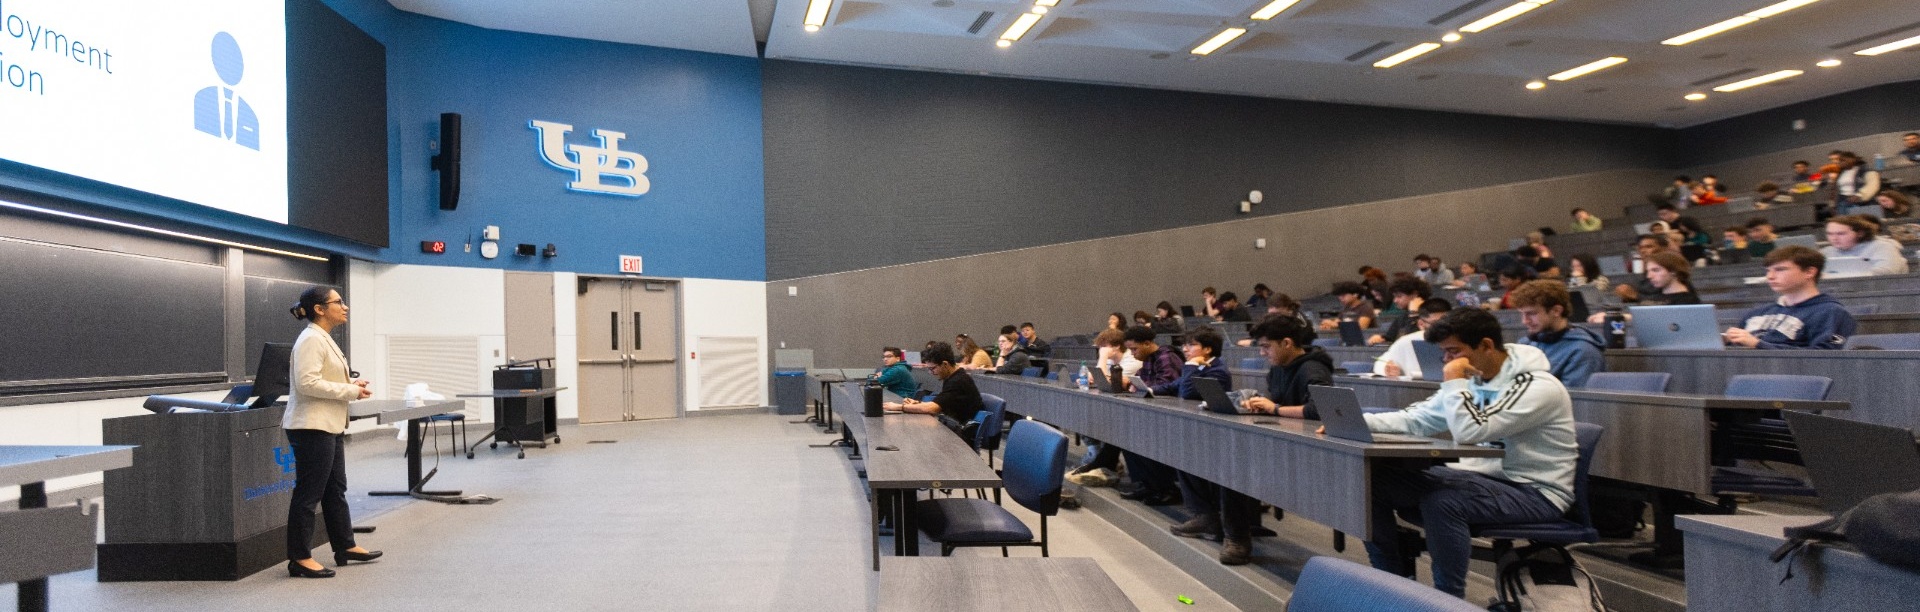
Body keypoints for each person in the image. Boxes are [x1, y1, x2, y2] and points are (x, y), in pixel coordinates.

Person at [1357, 308, 1579, 599]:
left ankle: (1448, 600)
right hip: (1479, 480)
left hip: (1534, 492)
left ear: (1486, 345)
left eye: (1454, 352)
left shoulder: (1538, 387)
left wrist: (1453, 383)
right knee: (1372, 483)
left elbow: (1472, 432)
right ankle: (1392, 586)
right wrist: (1359, 422)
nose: (1448, 361)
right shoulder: (1473, 380)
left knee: (1443, 502)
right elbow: (1417, 420)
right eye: (1445, 353)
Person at [1170, 317, 1331, 566]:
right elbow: (1278, 403)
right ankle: (1213, 519)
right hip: (1282, 436)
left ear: (1286, 343)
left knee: (1234, 465)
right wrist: (1259, 405)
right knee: (1206, 449)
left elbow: (1320, 411)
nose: (1262, 352)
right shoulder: (1278, 369)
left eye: (1267, 346)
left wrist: (1275, 409)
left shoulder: (1313, 370)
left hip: (1310, 448)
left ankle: (1237, 538)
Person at [283, 287, 381, 579]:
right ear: (319, 309)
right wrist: (350, 390)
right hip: (312, 427)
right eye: (338, 302)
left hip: (329, 424)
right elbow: (307, 383)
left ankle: (345, 545)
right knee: (308, 494)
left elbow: (322, 378)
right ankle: (299, 558)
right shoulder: (311, 339)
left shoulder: (323, 338)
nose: (345, 306)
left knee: (334, 490)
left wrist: (351, 383)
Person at [1723, 246, 1857, 350]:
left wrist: (1758, 344)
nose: (1770, 276)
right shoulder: (1757, 313)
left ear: (1809, 272)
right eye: (1768, 270)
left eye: (1780, 269)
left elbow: (1825, 358)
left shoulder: (1831, 312)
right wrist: (1726, 342)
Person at [1116, 327, 1188, 506]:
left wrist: (1142, 387)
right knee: (1127, 438)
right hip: (1153, 412)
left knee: (1146, 441)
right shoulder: (1147, 359)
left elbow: (1168, 386)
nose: (1133, 354)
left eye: (1134, 349)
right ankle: (1147, 484)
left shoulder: (1166, 357)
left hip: (1172, 414)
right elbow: (1142, 382)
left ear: (1148, 344)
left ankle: (1165, 489)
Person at [1509, 281, 1606, 388]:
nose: (1525, 321)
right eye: (1522, 314)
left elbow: (1575, 399)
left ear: (1556, 311)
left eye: (1531, 313)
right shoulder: (1526, 343)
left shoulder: (1583, 352)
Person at [882, 343, 983, 440]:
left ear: (945, 364)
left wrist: (899, 407)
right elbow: (942, 403)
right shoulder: (954, 377)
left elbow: (932, 408)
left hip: (962, 434)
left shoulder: (958, 381)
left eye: (932, 368)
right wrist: (918, 403)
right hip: (955, 426)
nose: (931, 373)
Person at [1375, 299, 1453, 378]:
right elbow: (1381, 362)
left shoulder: (1459, 340)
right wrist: (1386, 368)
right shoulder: (1406, 341)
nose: (1442, 328)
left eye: (1445, 322)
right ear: (1421, 324)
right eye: (1436, 324)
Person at [1821, 215, 1909, 275]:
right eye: (1830, 234)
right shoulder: (1826, 252)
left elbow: (1887, 273)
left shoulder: (1883, 247)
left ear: (1860, 233)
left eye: (1841, 234)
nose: (1834, 238)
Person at [1368, 278, 1431, 346]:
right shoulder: (1403, 316)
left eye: (1399, 296)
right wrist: (1381, 338)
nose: (1395, 301)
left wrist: (1413, 314)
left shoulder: (1431, 314)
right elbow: (1389, 337)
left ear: (1415, 295)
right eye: (1394, 297)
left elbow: (1412, 341)